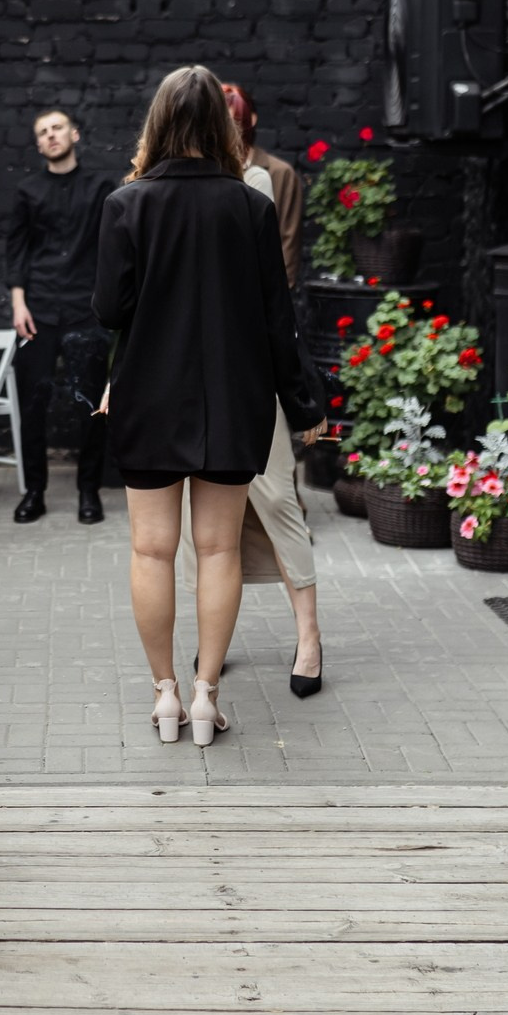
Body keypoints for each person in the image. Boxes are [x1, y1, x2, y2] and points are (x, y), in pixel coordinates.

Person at [93, 66, 323, 748]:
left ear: (157, 122)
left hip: (148, 396)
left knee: (152, 548)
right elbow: (276, 317)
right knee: (219, 547)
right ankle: (205, 696)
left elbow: (109, 310)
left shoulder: (125, 204)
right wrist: (302, 397)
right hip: (233, 395)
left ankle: (163, 693)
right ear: (223, 127)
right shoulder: (249, 205)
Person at [173, 82, 324, 698]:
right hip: (187, 375)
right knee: (205, 527)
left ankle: (309, 635)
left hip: (249, 374)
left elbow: (273, 299)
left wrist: (298, 394)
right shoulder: (161, 192)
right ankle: (215, 644)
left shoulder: (254, 186)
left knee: (277, 498)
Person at [7, 109, 114, 525]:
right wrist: (18, 303)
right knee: (33, 402)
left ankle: (89, 491)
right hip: (37, 309)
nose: (51, 136)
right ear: (38, 145)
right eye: (43, 132)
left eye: (57, 128)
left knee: (90, 404)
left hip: (86, 312)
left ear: (74, 134)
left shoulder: (100, 188)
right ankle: (34, 491)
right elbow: (16, 250)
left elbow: (111, 251)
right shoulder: (27, 190)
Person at [224, 83, 306, 288]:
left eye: (234, 120)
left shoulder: (279, 173)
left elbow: (288, 238)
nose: (229, 130)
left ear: (251, 119)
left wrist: (279, 292)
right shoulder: (208, 171)